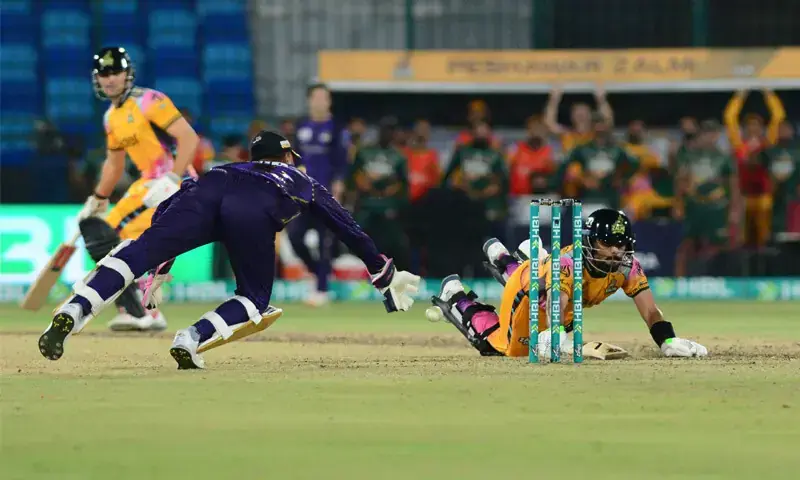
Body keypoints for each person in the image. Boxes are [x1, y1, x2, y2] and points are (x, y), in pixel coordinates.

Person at [38, 131, 420, 369]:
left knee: (134, 252)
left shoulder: (225, 169)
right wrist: (382, 272)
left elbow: (169, 207)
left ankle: (74, 309)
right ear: (287, 157)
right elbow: (345, 226)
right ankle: (190, 337)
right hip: (253, 214)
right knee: (255, 299)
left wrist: (160, 264)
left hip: (204, 198)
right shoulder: (297, 178)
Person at [429, 209, 708, 359]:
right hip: (532, 293)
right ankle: (457, 298)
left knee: (561, 323)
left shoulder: (627, 266)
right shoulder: (569, 264)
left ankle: (511, 257)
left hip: (550, 284)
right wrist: (558, 335)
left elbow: (651, 311)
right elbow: (555, 304)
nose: (615, 251)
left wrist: (667, 340)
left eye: (621, 245)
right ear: (589, 241)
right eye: (606, 244)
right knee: (501, 348)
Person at [78, 46, 199, 332]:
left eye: (115, 72)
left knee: (105, 237)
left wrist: (173, 178)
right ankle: (143, 309)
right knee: (112, 240)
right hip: (147, 184)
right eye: (103, 73)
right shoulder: (111, 117)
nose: (109, 79)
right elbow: (113, 165)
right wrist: (98, 198)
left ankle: (141, 311)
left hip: (176, 184)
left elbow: (189, 138)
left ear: (127, 74)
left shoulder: (149, 101)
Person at [291, 83, 350, 306]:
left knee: (325, 241)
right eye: (315, 97)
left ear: (329, 101)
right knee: (296, 237)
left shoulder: (336, 128)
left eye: (323, 98)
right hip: (302, 193)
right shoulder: (301, 126)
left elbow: (341, 161)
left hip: (325, 192)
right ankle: (319, 273)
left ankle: (322, 289)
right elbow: (293, 158)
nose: (319, 102)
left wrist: (338, 187)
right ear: (309, 100)